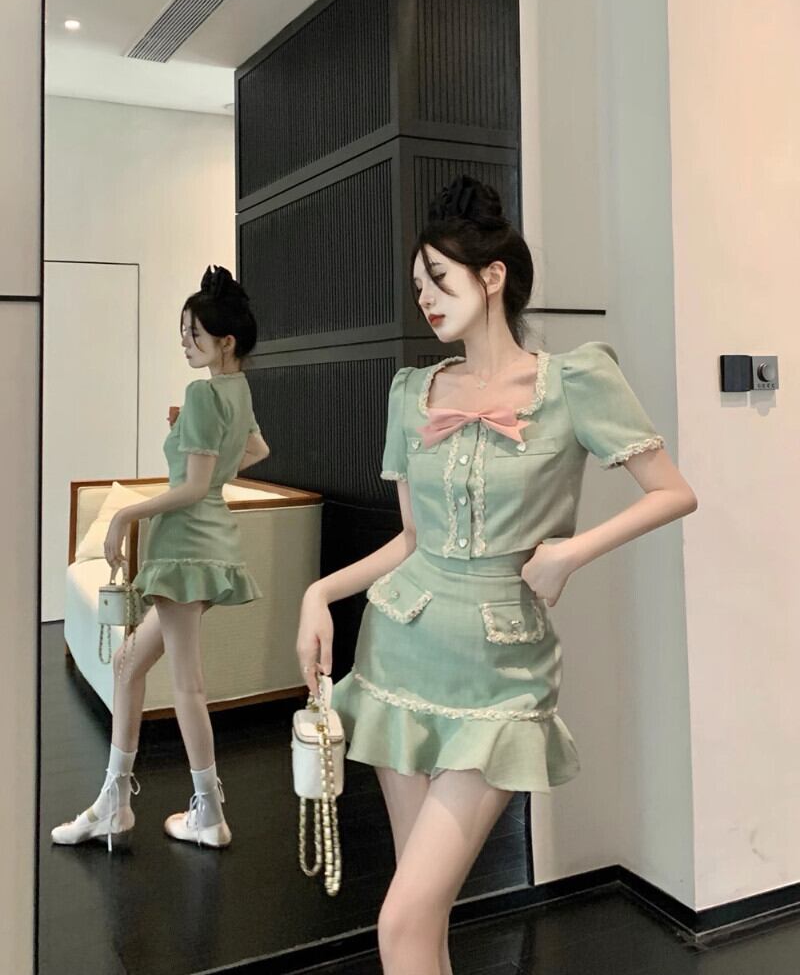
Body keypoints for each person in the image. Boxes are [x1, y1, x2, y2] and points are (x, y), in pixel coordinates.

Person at [296, 177, 698, 974]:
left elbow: (672, 492)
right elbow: (412, 538)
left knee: (401, 922)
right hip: (398, 653)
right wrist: (319, 593)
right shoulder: (412, 392)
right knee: (421, 921)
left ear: (492, 276)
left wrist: (570, 553)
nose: (424, 298)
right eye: (418, 284)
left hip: (500, 670)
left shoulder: (574, 382)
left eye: (438, 279)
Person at [52, 265, 270, 851]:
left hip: (185, 549)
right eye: (183, 333)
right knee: (128, 663)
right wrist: (199, 445)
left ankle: (209, 812)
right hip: (208, 547)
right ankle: (114, 802)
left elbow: (194, 487)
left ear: (226, 341)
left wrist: (126, 514)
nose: (185, 343)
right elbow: (255, 448)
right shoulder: (236, 390)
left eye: (194, 334)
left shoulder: (203, 394)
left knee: (187, 686)